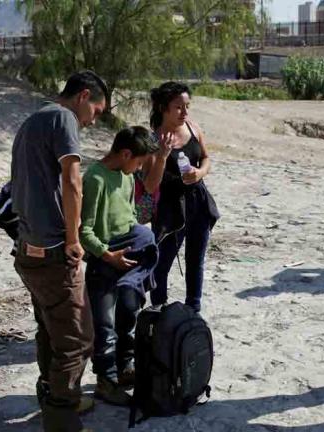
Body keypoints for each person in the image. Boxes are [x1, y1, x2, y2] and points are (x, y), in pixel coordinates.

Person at [10, 71, 107, 432]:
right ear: (83, 96)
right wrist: (73, 239)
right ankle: (61, 417)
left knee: (50, 330)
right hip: (52, 251)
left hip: (28, 249)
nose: (93, 120)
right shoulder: (63, 118)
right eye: (96, 111)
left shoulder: (34, 119)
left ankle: (52, 397)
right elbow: (72, 180)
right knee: (77, 340)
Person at [80, 126, 159, 406]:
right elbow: (84, 230)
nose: (139, 168)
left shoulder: (127, 178)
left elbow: (130, 216)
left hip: (127, 261)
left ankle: (126, 368)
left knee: (129, 316)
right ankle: (107, 381)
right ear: (126, 154)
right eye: (139, 162)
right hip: (104, 263)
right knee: (105, 327)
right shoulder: (95, 179)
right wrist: (106, 255)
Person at [141, 82, 219, 313]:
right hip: (169, 209)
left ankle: (193, 310)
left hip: (198, 203)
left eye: (187, 106)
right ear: (163, 108)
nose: (184, 112)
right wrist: (163, 157)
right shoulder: (152, 141)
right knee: (161, 263)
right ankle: (158, 309)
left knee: (195, 261)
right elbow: (149, 185)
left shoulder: (193, 128)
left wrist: (199, 173)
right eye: (178, 107)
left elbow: (206, 158)